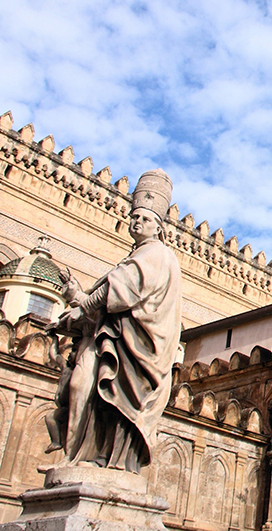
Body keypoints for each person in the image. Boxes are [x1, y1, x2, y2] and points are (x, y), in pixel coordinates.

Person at [50, 169, 181, 473]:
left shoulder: (157, 255)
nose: (137, 223)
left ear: (159, 227)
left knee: (112, 400)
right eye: (134, 217)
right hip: (119, 345)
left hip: (137, 354)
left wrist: (82, 307)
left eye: (145, 219)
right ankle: (83, 457)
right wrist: (76, 297)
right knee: (87, 391)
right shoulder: (136, 257)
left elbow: (121, 291)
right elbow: (113, 298)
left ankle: (110, 461)